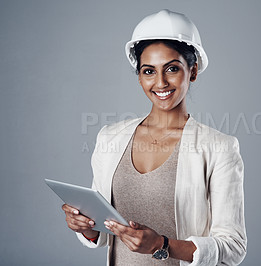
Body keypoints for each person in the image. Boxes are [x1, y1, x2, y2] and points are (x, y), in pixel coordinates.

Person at [61, 9, 247, 266]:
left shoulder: (218, 148)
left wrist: (162, 245)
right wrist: (85, 226)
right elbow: (105, 233)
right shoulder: (110, 138)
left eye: (172, 68)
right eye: (149, 71)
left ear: (192, 72)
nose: (160, 82)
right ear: (139, 77)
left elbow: (233, 247)